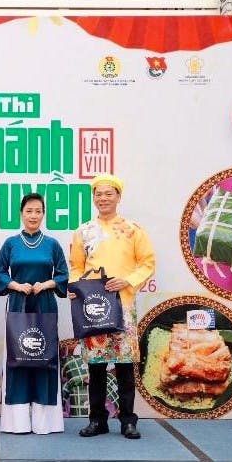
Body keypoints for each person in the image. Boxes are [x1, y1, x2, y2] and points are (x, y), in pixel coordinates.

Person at [69, 174, 155, 439]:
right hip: (93, 307)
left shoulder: (133, 229)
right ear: (93, 198)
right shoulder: (83, 231)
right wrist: (75, 287)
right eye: (98, 194)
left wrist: (127, 280)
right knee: (95, 367)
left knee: (125, 366)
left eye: (109, 193)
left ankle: (128, 421)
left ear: (119, 197)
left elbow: (148, 263)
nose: (103, 198)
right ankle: (97, 421)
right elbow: (76, 266)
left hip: (123, 306)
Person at [0, 192, 69, 434]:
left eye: (38, 211)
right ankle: (17, 422)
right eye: (29, 211)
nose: (33, 215)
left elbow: (63, 274)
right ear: (21, 214)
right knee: (18, 357)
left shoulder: (52, 244)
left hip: (45, 305)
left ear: (43, 214)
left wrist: (47, 284)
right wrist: (15, 285)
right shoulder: (11, 243)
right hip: (18, 305)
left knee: (44, 357)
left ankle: (45, 422)